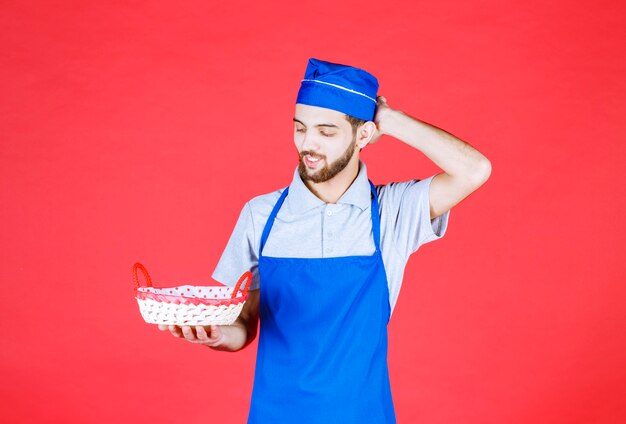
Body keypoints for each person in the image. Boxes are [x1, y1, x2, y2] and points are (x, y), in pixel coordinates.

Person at [158, 57, 491, 423]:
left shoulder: (392, 212)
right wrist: (217, 335)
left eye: (326, 132)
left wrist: (391, 119)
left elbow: (475, 170)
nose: (308, 144)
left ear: (363, 135)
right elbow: (244, 325)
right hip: (275, 414)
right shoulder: (261, 215)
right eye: (300, 128)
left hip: (364, 414)